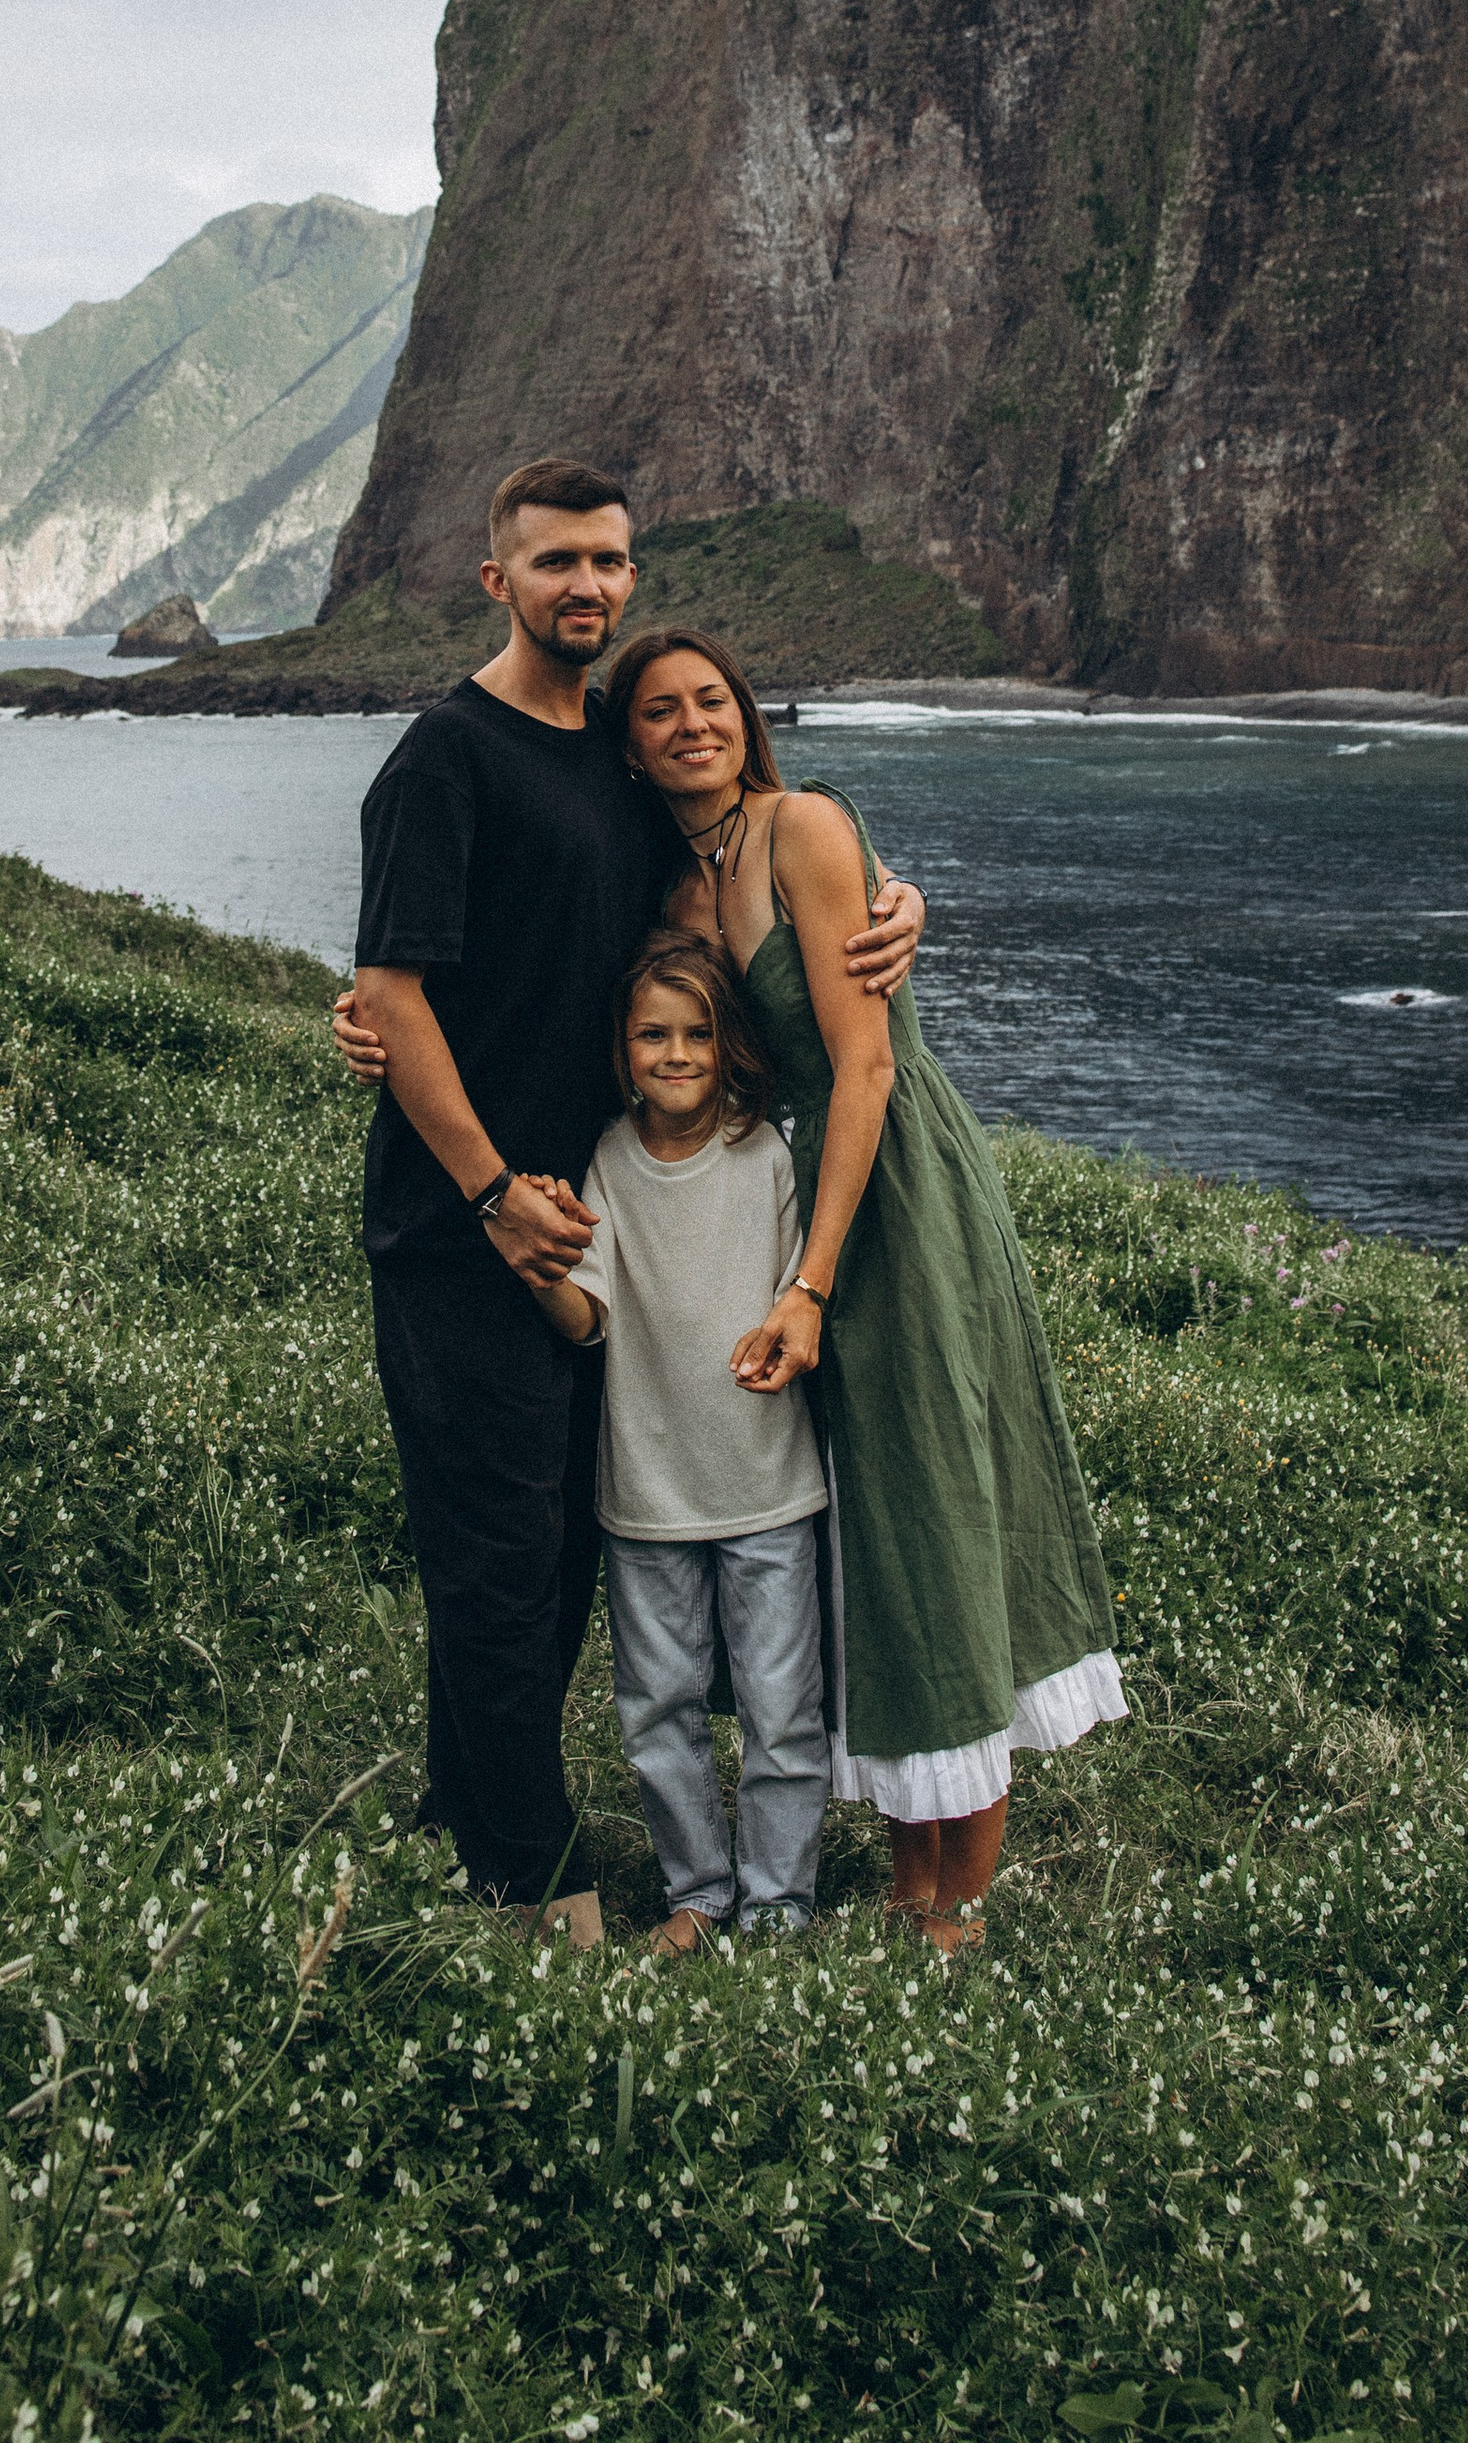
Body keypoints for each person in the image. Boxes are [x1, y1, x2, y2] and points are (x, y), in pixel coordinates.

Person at [342, 460, 923, 1940]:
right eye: (555, 566)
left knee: (552, 1563)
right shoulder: (442, 761)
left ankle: (461, 1816)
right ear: (499, 582)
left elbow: (752, 844)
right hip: (460, 1235)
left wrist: (900, 900)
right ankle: (537, 1889)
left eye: (608, 563)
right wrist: (486, 1195)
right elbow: (392, 994)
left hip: (600, 1222)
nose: (585, 587)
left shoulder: (607, 752)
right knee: (498, 1556)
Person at [601, 624, 1126, 1955]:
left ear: (746, 714)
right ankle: (906, 1874)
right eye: (660, 711)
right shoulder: (671, 898)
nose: (692, 725)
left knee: (942, 1504)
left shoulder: (806, 830)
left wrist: (813, 1285)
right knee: (872, 1535)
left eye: (711, 700)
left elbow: (870, 1069)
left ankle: (956, 1903)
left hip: (896, 1194)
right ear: (629, 742)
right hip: (810, 1203)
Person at [526, 929, 829, 1952]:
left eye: (698, 1032)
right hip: (648, 1493)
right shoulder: (609, 1158)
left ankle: (780, 1902)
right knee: (659, 1708)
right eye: (652, 1034)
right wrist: (537, 1271)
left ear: (727, 1042)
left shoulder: (766, 1154)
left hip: (769, 1488)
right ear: (623, 1047)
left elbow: (800, 1297)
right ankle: (697, 1895)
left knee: (783, 1710)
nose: (676, 1053)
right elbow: (590, 1316)